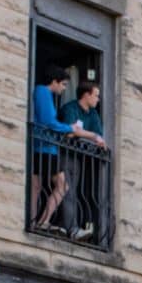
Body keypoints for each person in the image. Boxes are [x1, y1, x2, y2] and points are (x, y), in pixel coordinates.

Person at [29, 71, 105, 232]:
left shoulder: (92, 113)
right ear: (54, 81)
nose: (64, 89)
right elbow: (50, 122)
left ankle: (33, 221)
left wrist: (80, 132)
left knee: (36, 185)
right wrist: (71, 128)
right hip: (45, 147)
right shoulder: (43, 92)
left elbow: (97, 133)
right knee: (62, 186)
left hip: (42, 146)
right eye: (63, 84)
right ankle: (41, 221)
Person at [63, 81, 109, 241]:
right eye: (96, 95)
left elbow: (98, 135)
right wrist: (91, 136)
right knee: (67, 192)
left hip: (79, 158)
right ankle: (71, 229)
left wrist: (85, 134)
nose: (98, 99)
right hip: (64, 155)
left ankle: (73, 228)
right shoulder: (70, 108)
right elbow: (70, 132)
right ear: (86, 95)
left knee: (73, 192)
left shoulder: (93, 114)